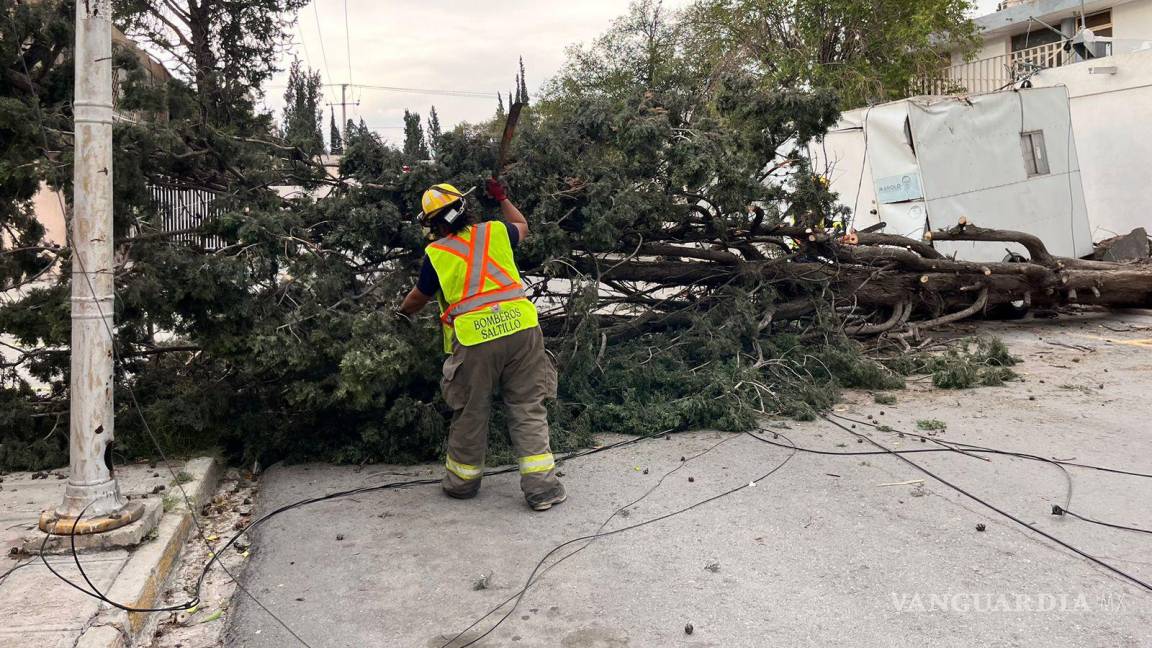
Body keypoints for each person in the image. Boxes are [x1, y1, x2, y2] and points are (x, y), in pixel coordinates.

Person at [398, 179, 566, 511]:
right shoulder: (496, 231)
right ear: (465, 208)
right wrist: (503, 197)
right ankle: (543, 489)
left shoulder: (438, 253)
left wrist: (399, 313)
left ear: (433, 222)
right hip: (522, 329)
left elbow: (419, 297)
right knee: (528, 406)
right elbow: (523, 225)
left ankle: (462, 484)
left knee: (471, 411)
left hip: (476, 339)